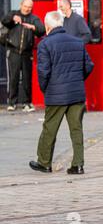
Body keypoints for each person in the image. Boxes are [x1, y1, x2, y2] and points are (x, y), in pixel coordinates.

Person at [29, 11, 94, 175]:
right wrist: (78, 80)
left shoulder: (45, 44)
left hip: (56, 94)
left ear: (47, 26)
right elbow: (89, 66)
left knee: (50, 128)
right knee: (76, 129)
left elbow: (43, 72)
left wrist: (46, 89)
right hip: (76, 93)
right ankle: (78, 165)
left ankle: (44, 163)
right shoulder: (77, 42)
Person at [1, 0, 45, 112]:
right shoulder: (13, 13)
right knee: (13, 77)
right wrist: (12, 18)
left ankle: (27, 103)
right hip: (13, 51)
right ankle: (12, 102)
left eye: (30, 7)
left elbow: (42, 30)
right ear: (21, 5)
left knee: (27, 78)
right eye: (25, 6)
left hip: (27, 53)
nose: (27, 9)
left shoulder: (33, 18)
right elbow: (4, 20)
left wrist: (33, 27)